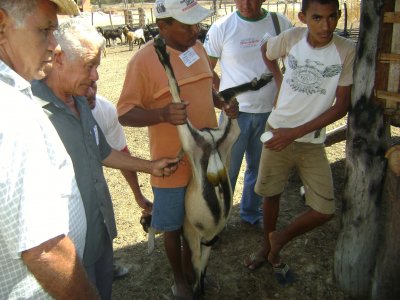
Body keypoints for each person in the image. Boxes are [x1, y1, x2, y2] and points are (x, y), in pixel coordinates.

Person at [31, 18, 178, 300]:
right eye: (90, 65)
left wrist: (150, 167)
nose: (96, 76)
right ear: (59, 59)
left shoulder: (80, 101)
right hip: (67, 248)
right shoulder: (31, 112)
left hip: (99, 231)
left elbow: (104, 152)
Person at [117, 0, 238, 298]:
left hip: (207, 159)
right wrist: (161, 115)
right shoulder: (143, 61)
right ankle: (180, 281)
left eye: (197, 23)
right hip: (170, 164)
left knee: (200, 225)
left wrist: (220, 101)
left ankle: (196, 271)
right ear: (163, 26)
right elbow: (124, 112)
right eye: (187, 25)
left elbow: (205, 88)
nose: (196, 30)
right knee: (172, 227)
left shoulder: (196, 49)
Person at [244, 0, 356, 281]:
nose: (326, 25)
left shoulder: (345, 51)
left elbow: (340, 107)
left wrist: (294, 134)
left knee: (324, 209)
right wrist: (278, 76)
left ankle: (278, 239)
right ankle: (265, 248)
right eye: (317, 18)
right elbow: (265, 51)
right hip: (276, 129)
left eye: (332, 17)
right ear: (303, 17)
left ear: (339, 16)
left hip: (310, 141)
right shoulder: (292, 38)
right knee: (271, 194)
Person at [0, 0, 99, 299]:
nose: (55, 45)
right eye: (45, 30)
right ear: (1, 25)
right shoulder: (12, 111)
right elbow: (44, 249)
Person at [204, 0, 292, 227]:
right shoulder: (222, 27)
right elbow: (205, 67)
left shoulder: (280, 23)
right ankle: (219, 221)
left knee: (259, 168)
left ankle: (251, 213)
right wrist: (223, 93)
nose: (246, 3)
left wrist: (282, 91)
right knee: (227, 171)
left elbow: (293, 62)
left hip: (269, 115)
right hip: (235, 116)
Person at [86, 81, 153, 279]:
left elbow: (120, 153)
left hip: (94, 179)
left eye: (94, 84)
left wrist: (138, 197)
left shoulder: (105, 110)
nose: (91, 92)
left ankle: (106, 265)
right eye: (85, 86)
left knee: (104, 221)